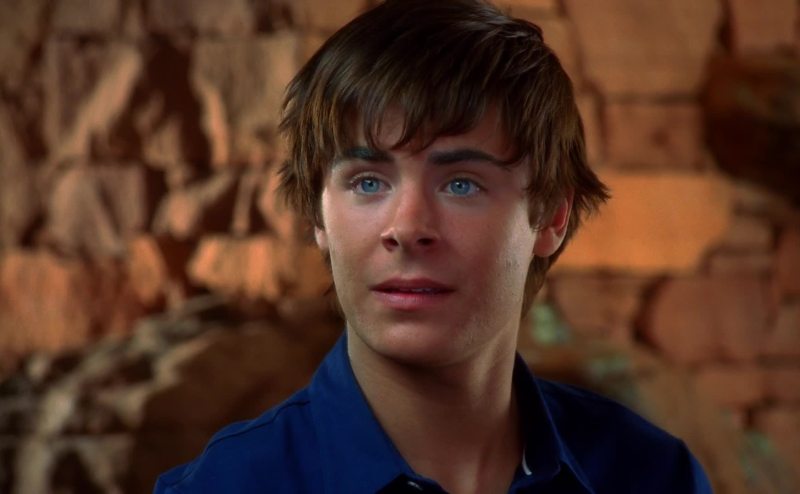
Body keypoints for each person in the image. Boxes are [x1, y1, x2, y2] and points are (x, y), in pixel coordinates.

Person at [154, 0, 713, 492]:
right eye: (367, 183)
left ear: (551, 217)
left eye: (461, 184)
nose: (407, 227)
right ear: (317, 216)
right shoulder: (222, 488)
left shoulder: (653, 477)